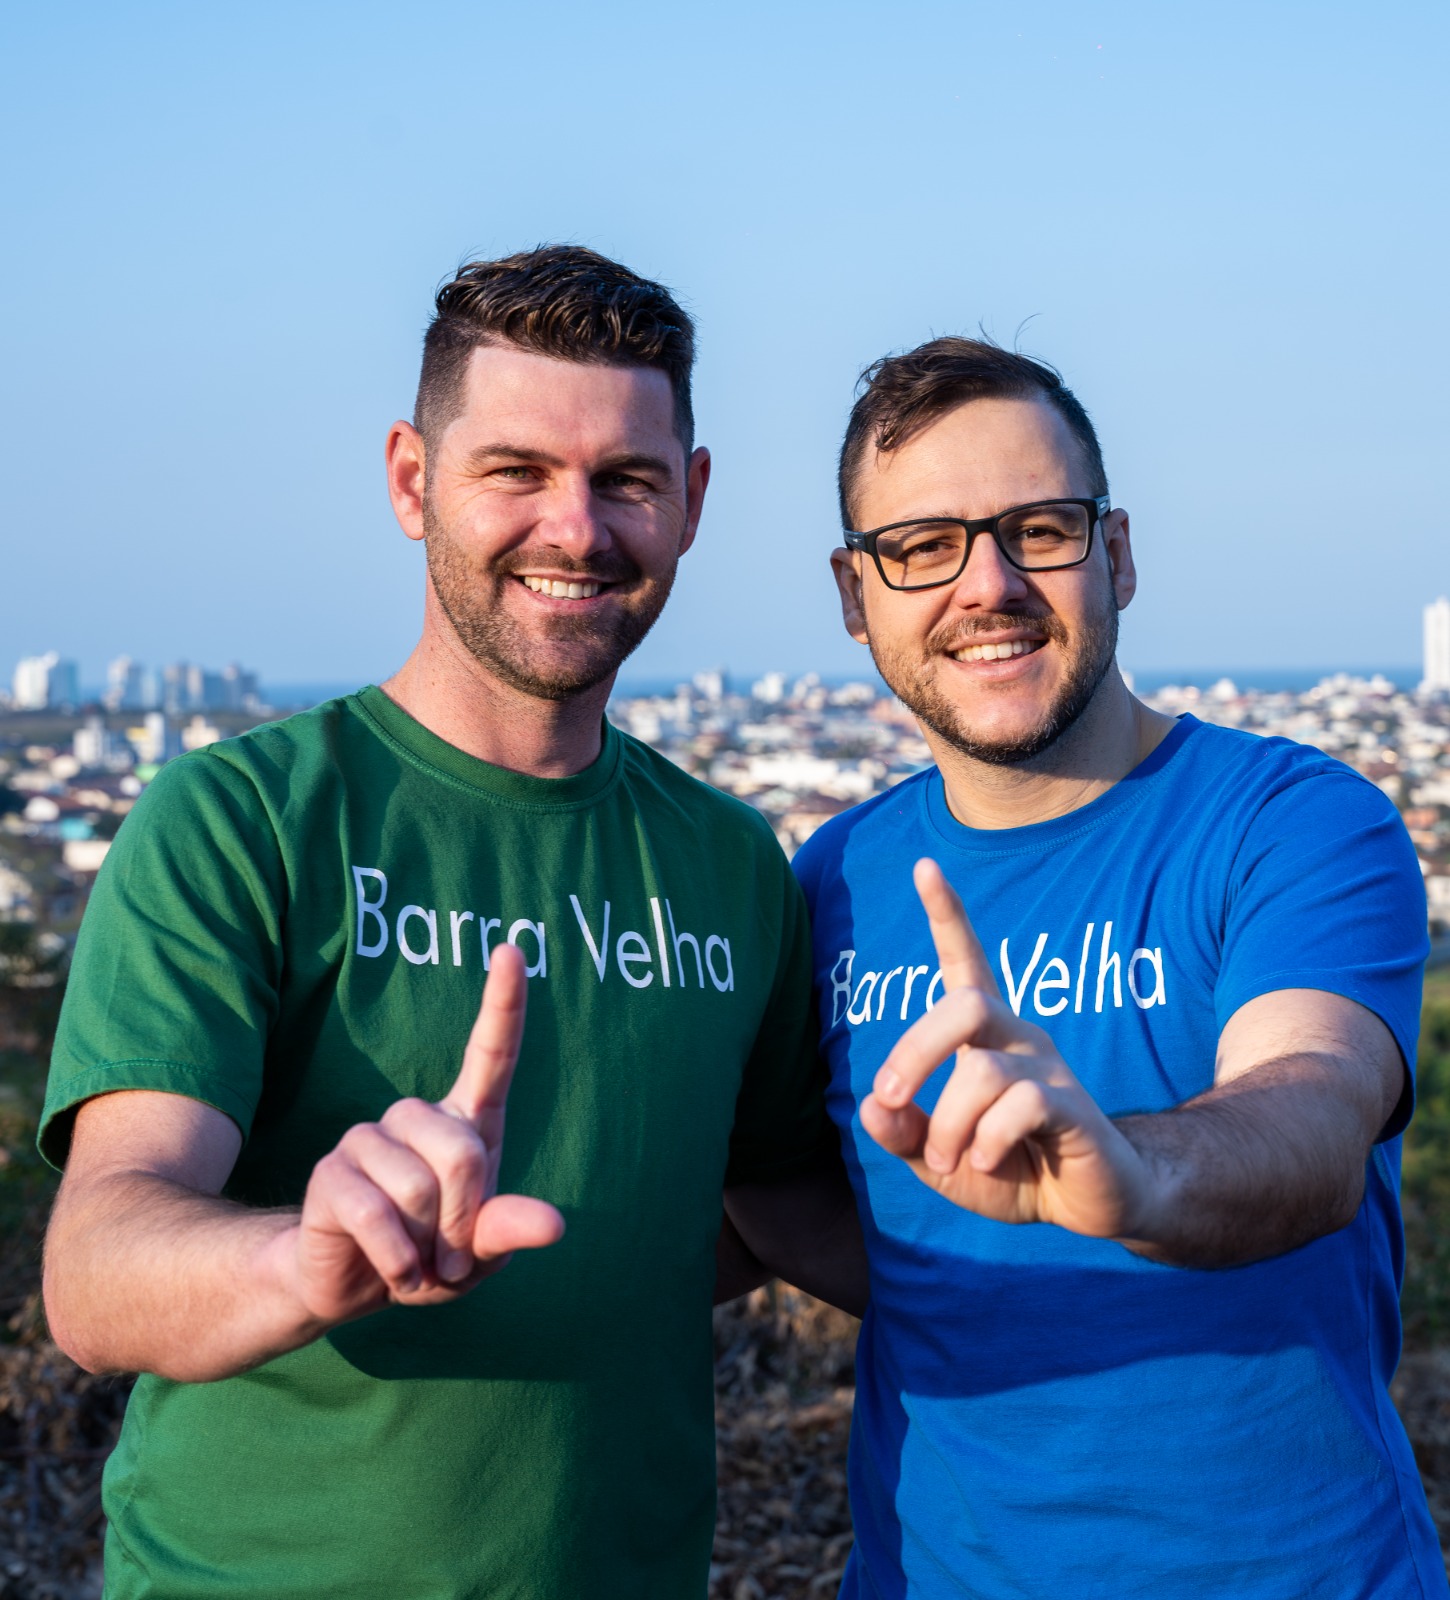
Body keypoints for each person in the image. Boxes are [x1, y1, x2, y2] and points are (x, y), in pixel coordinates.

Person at [39, 245, 864, 1600]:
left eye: (627, 481)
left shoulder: (728, 862)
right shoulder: (241, 820)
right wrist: (304, 1256)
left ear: (692, 502)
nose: (576, 528)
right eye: (516, 472)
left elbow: (768, 1209)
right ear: (413, 483)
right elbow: (97, 1268)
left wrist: (1111, 1228)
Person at [793, 336, 1443, 1599]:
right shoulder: (831, 881)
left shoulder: (1292, 820)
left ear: (1117, 552)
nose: (987, 584)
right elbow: (784, 1194)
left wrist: (1137, 1176)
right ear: (852, 592)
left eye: (1038, 526)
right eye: (921, 546)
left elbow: (1311, 1104)